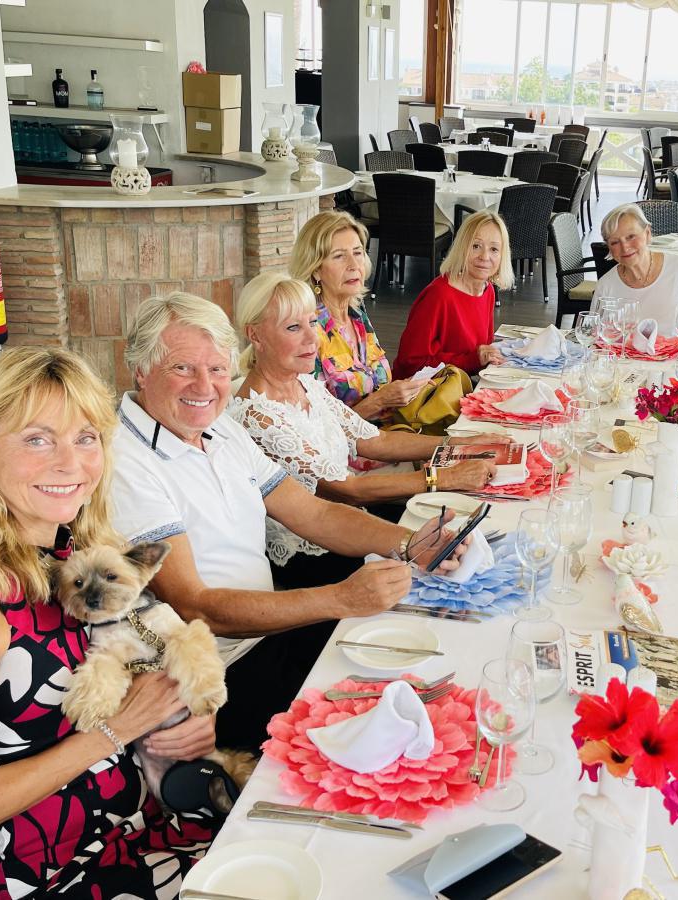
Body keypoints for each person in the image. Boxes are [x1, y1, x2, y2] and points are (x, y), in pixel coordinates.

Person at [0, 348, 217, 897]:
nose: (70, 463)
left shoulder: (71, 553)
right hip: (52, 870)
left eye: (85, 437)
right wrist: (118, 729)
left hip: (140, 825)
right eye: (37, 438)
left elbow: (136, 665)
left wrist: (179, 718)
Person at [109, 292, 467, 752]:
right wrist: (339, 598)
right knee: (397, 710)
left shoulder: (219, 429)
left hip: (267, 636)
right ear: (140, 369)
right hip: (209, 680)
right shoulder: (126, 462)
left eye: (218, 369)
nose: (205, 385)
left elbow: (313, 512)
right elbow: (198, 608)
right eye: (182, 368)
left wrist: (412, 542)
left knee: (420, 661)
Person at [230, 271, 505, 588]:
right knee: (454, 575)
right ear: (256, 335)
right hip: (312, 556)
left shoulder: (304, 383)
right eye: (294, 327)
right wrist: (448, 476)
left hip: (350, 525)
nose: (313, 339)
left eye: (312, 322)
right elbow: (345, 489)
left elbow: (375, 440)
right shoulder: (257, 415)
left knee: (471, 542)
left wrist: (460, 444)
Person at [289, 210, 428, 423]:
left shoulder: (357, 314)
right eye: (339, 256)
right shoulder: (307, 332)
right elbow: (314, 429)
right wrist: (379, 402)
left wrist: (399, 392)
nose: (354, 265)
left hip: (385, 441)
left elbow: (374, 382)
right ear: (316, 269)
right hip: (344, 454)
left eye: (358, 252)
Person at [393, 210, 513, 378]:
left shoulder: (488, 290)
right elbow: (411, 363)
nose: (485, 256)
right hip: (422, 395)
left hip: (459, 383)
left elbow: (480, 353)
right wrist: (473, 359)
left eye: (494, 249)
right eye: (476, 246)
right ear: (462, 248)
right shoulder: (439, 295)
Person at [588, 203, 678, 335]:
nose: (625, 247)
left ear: (648, 233)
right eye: (615, 242)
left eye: (631, 236)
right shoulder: (606, 285)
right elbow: (596, 337)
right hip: (626, 356)